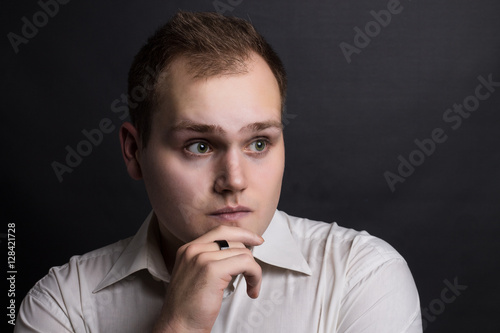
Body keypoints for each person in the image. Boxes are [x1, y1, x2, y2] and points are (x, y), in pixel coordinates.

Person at [15, 11, 422, 332]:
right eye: (200, 145)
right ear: (134, 151)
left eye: (258, 143)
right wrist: (180, 327)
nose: (235, 180)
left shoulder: (361, 276)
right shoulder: (64, 306)